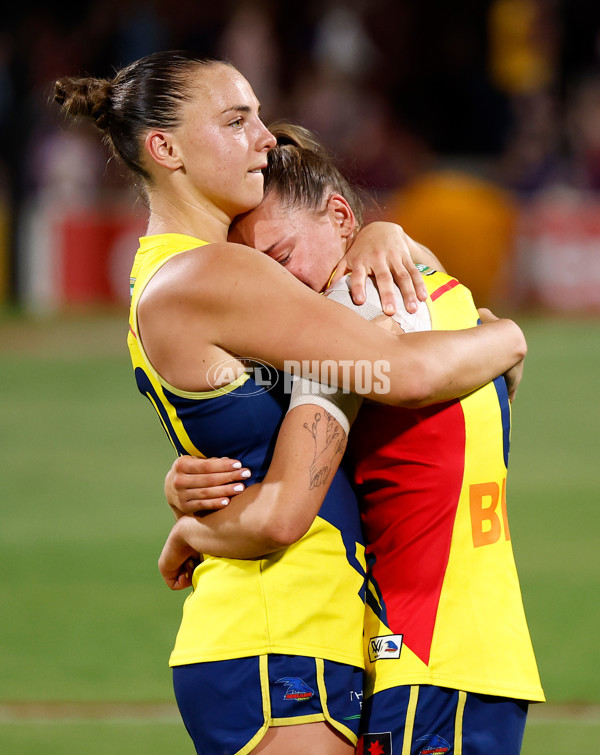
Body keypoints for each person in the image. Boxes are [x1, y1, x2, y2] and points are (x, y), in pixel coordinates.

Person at [53, 50, 527, 755]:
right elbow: (396, 371)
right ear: (165, 148)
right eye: (237, 121)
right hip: (276, 634)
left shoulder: (190, 273)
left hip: (304, 634)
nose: (265, 138)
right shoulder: (213, 273)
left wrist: (376, 232)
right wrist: (510, 338)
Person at [165, 122, 543, 755]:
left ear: (339, 215)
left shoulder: (349, 319)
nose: (278, 293)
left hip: (430, 650)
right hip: (466, 644)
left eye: (281, 260)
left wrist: (191, 530)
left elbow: (284, 506)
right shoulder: (431, 290)